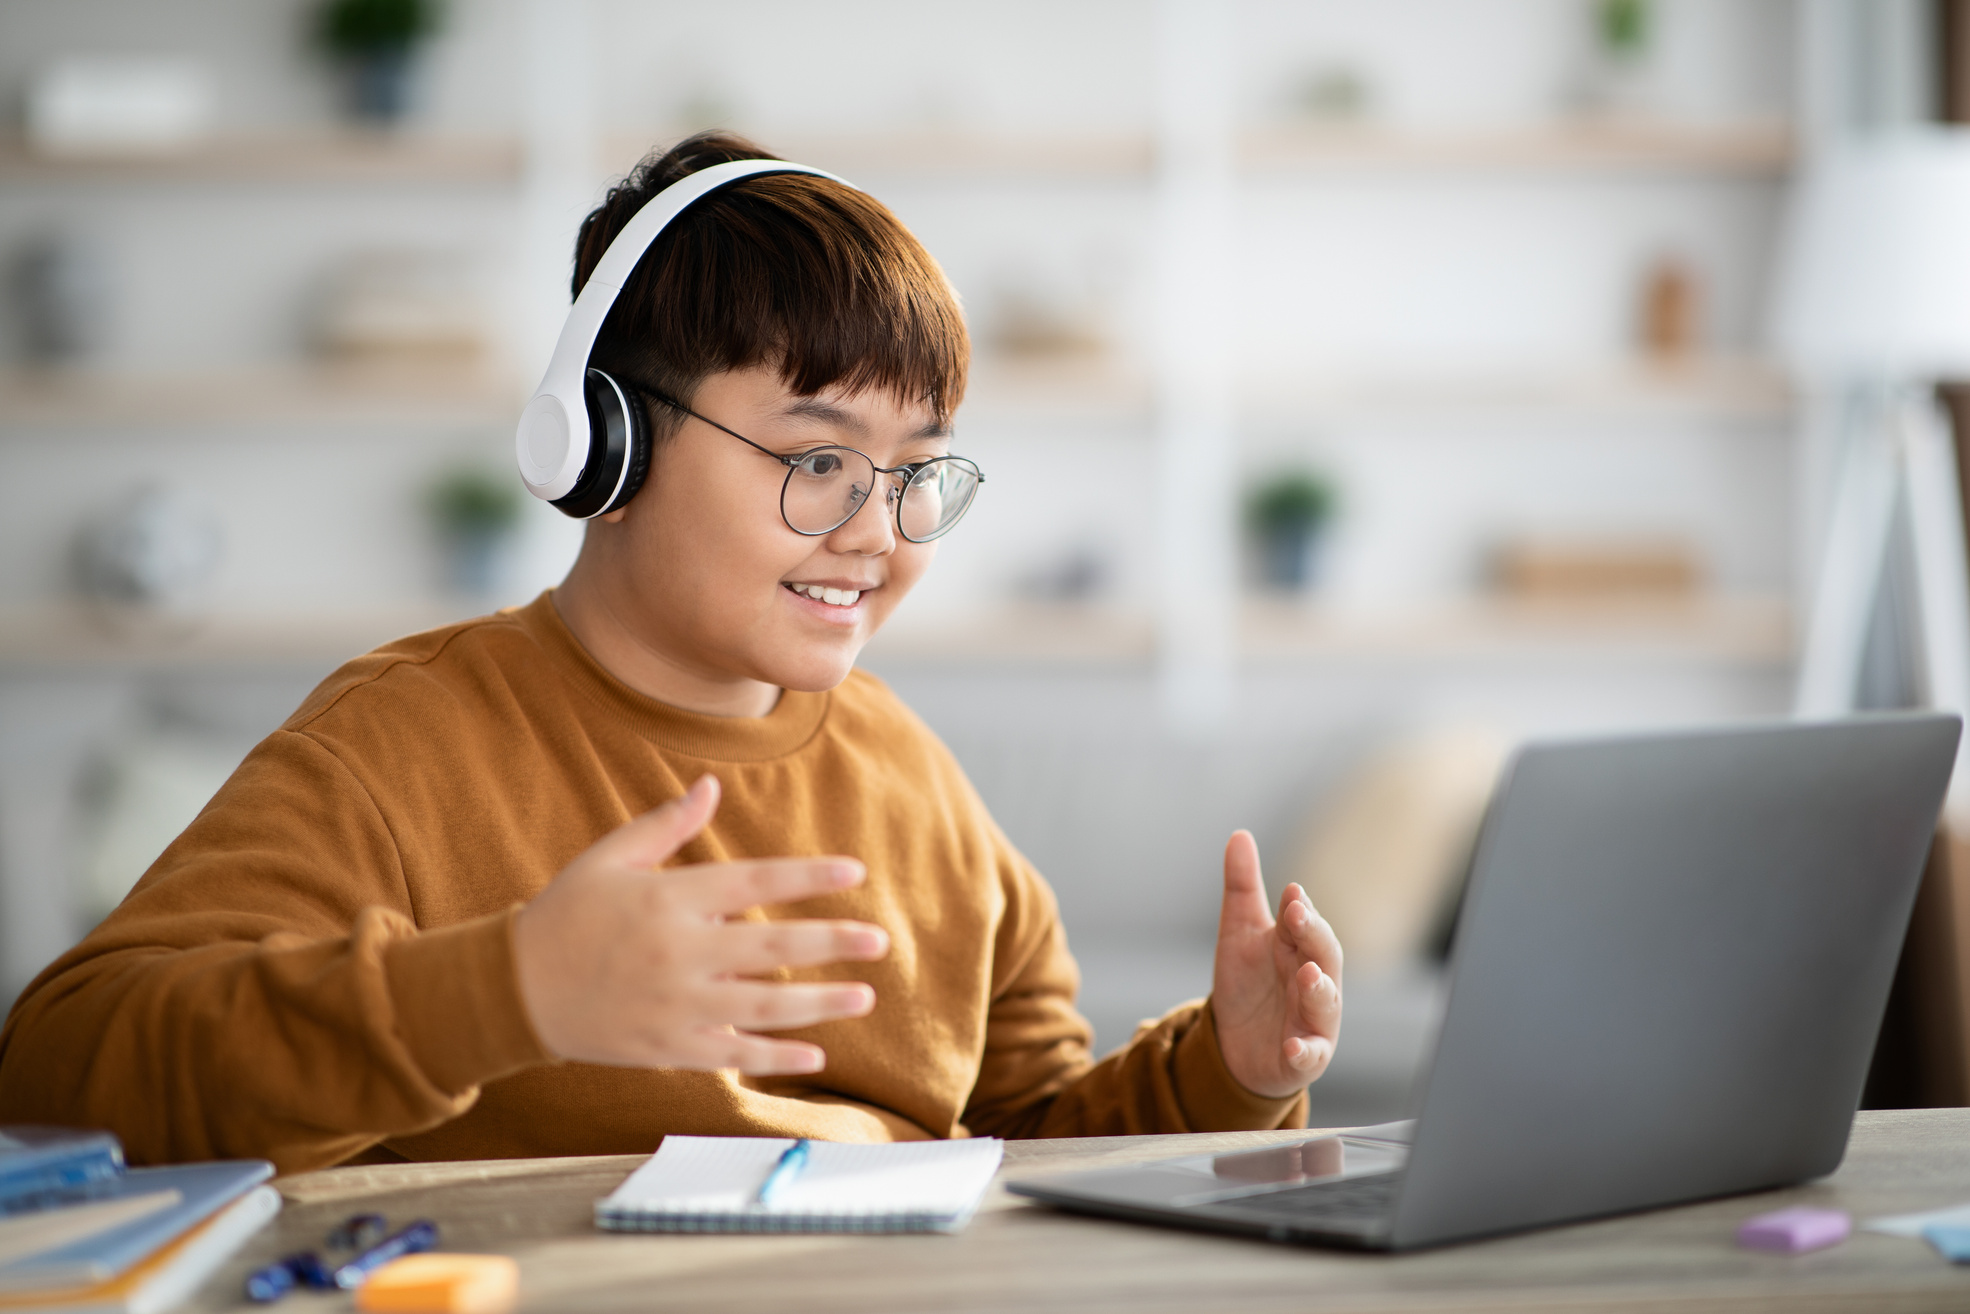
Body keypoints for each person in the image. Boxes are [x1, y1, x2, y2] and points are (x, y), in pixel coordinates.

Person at [0, 133, 1342, 1172]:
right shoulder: (398, 747)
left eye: (915, 472)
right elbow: (59, 1075)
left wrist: (1222, 1072)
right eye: (818, 460)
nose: (876, 530)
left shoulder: (914, 781)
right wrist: (503, 992)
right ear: (606, 448)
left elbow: (1028, 1141)